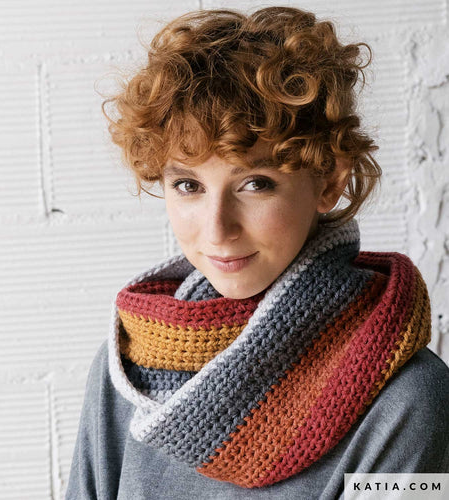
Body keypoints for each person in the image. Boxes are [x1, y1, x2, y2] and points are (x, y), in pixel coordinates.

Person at [66, 6, 449, 499]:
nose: (217, 229)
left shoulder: (409, 401)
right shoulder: (130, 367)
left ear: (329, 181)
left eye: (255, 184)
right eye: (188, 185)